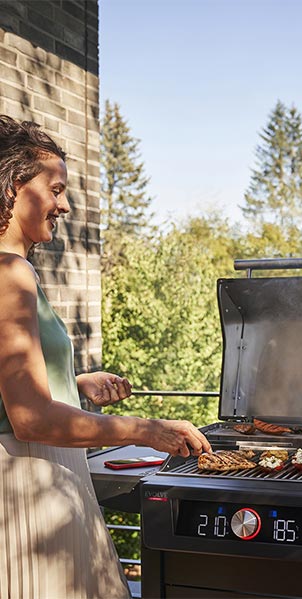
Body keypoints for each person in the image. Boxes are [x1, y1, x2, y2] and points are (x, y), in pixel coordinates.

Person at [0, 115, 212, 599]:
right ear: (15, 188)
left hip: (41, 476)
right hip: (30, 490)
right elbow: (29, 418)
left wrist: (71, 384)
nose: (66, 205)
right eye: (55, 190)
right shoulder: (10, 273)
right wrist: (147, 430)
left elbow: (14, 390)